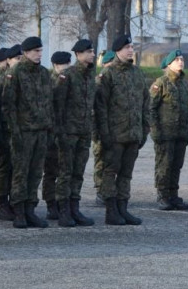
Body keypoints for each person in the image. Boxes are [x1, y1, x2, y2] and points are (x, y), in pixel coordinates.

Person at [94, 35, 150, 226]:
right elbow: (101, 107)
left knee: (126, 174)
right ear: (117, 50)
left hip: (133, 133)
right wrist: (104, 134)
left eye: (131, 46)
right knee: (110, 172)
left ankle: (123, 209)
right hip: (115, 135)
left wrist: (144, 130)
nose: (130, 50)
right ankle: (111, 210)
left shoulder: (137, 73)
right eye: (127, 47)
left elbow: (145, 103)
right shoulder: (108, 75)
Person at [2, 36, 54, 229]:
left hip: (41, 130)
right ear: (25, 52)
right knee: (20, 173)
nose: (39, 54)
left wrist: (49, 127)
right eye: (35, 51)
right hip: (23, 132)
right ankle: (19, 211)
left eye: (40, 51)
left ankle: (30, 208)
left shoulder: (43, 73)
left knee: (35, 173)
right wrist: (15, 132)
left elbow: (49, 103)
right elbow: (8, 106)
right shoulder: (15, 73)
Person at [53, 39, 96, 227]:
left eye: (93, 51)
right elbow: (58, 106)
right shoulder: (67, 76)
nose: (92, 54)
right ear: (78, 55)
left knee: (78, 172)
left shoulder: (89, 76)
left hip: (84, 132)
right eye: (89, 52)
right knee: (65, 172)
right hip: (68, 133)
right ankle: (63, 210)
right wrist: (59, 132)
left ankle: (74, 208)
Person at [150, 49, 188, 210]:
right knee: (164, 165)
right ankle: (163, 195)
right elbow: (151, 108)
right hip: (165, 133)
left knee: (176, 165)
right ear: (169, 64)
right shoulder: (161, 83)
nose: (180, 62)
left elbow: (187, 109)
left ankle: (173, 195)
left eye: (182, 59)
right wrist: (156, 131)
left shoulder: (183, 83)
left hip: (180, 133)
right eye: (177, 60)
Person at [0, 44, 20, 221]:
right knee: (2, 168)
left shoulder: (24, 79)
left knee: (18, 170)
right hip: (4, 131)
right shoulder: (1, 81)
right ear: (9, 61)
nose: (20, 62)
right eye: (17, 59)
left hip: (20, 132)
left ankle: (16, 202)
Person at [41, 51, 72, 220]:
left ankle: (63, 203)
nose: (66, 68)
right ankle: (50, 204)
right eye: (63, 65)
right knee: (51, 171)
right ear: (55, 66)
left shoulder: (71, 79)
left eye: (68, 64)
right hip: (52, 132)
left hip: (67, 131)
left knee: (66, 171)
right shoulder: (50, 80)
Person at [92, 49, 116, 205]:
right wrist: (96, 131)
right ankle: (101, 191)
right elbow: (96, 107)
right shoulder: (101, 79)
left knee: (111, 161)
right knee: (101, 160)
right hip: (101, 128)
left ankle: (109, 190)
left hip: (113, 128)